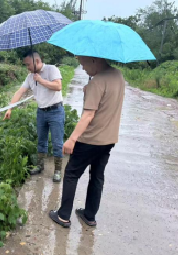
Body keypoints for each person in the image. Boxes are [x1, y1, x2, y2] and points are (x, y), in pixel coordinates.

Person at [49, 56, 125, 228]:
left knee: (71, 174)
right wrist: (89, 91)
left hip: (90, 139)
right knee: (97, 176)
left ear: (94, 60)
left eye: (83, 64)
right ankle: (89, 216)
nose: (83, 68)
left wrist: (71, 139)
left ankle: (63, 216)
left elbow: (88, 116)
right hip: (109, 139)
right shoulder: (118, 75)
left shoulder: (96, 82)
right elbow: (109, 100)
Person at [4, 51, 65, 182]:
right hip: (41, 112)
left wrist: (41, 80)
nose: (27, 68)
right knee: (41, 141)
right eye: (26, 65)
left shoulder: (51, 69)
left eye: (28, 65)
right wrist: (9, 108)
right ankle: (40, 166)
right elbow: (20, 91)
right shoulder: (30, 77)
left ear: (37, 62)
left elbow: (58, 86)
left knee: (57, 142)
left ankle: (57, 170)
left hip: (56, 111)